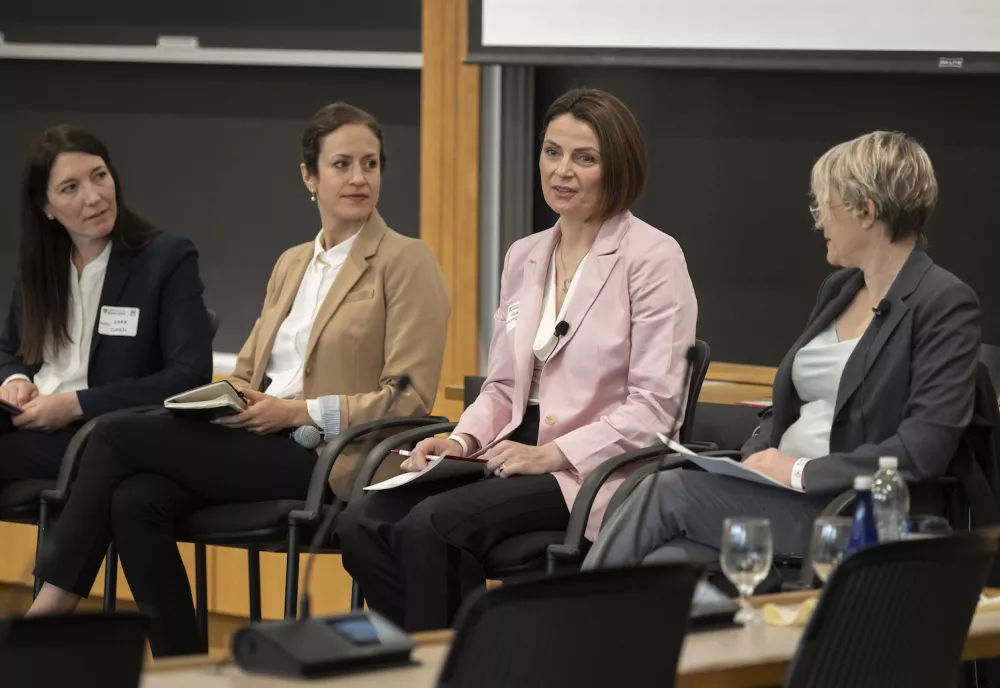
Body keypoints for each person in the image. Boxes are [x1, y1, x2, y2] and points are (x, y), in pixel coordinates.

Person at [27, 103, 451, 657]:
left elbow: (410, 396)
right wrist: (221, 401)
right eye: (341, 164)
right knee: (135, 500)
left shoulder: (406, 259)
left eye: (370, 164)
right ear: (309, 176)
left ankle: (47, 614)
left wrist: (298, 412)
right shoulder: (292, 263)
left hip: (324, 455)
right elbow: (249, 372)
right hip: (254, 435)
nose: (358, 178)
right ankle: (183, 664)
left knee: (110, 436)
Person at [338, 88, 698, 632]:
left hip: (589, 466)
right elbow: (502, 386)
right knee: (363, 521)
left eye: (584, 158)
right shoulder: (525, 253)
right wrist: (459, 441)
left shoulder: (653, 258)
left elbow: (655, 410)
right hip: (504, 447)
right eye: (552, 152)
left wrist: (552, 454)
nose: (561, 171)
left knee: (430, 528)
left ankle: (467, 668)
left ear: (618, 166)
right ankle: (427, 659)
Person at [585, 130, 981, 569]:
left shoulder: (944, 301)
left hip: (849, 511)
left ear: (865, 212)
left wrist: (799, 472)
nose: (817, 223)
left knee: (663, 492)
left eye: (824, 206)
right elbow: (788, 400)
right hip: (777, 494)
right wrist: (755, 454)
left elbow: (922, 449)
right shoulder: (841, 288)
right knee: (663, 560)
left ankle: (570, 630)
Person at [0, 124, 212, 497]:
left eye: (100, 176)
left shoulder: (164, 259)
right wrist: (15, 381)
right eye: (71, 188)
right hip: (28, 423)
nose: (95, 197)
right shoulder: (40, 267)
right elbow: (9, 351)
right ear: (45, 207)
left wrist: (75, 405)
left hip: (99, 433)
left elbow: (188, 378)